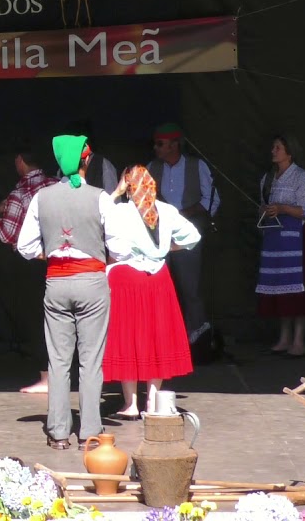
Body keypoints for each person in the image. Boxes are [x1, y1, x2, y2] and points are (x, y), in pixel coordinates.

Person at [16, 135, 122, 451]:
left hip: (57, 283)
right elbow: (119, 247)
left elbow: (24, 246)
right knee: (91, 359)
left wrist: (52, 253)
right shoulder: (101, 197)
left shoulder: (41, 198)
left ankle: (59, 432)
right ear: (86, 161)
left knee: (59, 360)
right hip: (91, 282)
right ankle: (89, 430)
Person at [102, 166, 200, 418]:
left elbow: (96, 215)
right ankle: (153, 401)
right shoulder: (166, 211)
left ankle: (130, 404)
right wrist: (167, 248)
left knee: (128, 335)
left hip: (127, 278)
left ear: (129, 186)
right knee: (156, 335)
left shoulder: (119, 210)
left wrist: (116, 193)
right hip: (158, 278)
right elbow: (193, 236)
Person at [147, 123, 221, 345]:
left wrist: (184, 214)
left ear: (173, 145)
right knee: (159, 288)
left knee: (191, 288)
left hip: (187, 234)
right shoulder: (151, 167)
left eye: (160, 144)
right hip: (159, 237)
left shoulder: (197, 166)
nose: (156, 148)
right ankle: (163, 338)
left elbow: (212, 200)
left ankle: (196, 339)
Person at [0, 144, 57, 394]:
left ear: (20, 161)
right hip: (61, 261)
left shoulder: (20, 193)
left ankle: (46, 377)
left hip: (32, 264)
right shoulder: (56, 185)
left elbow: (8, 233)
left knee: (35, 319)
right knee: (61, 318)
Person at [256, 134, 305, 357]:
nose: (273, 151)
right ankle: (284, 337)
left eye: (278, 147)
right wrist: (266, 210)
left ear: (289, 152)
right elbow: (264, 204)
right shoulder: (268, 178)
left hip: (297, 240)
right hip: (275, 240)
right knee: (280, 287)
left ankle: (299, 340)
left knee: (298, 288)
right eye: (273, 147)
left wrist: (283, 208)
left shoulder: (302, 178)